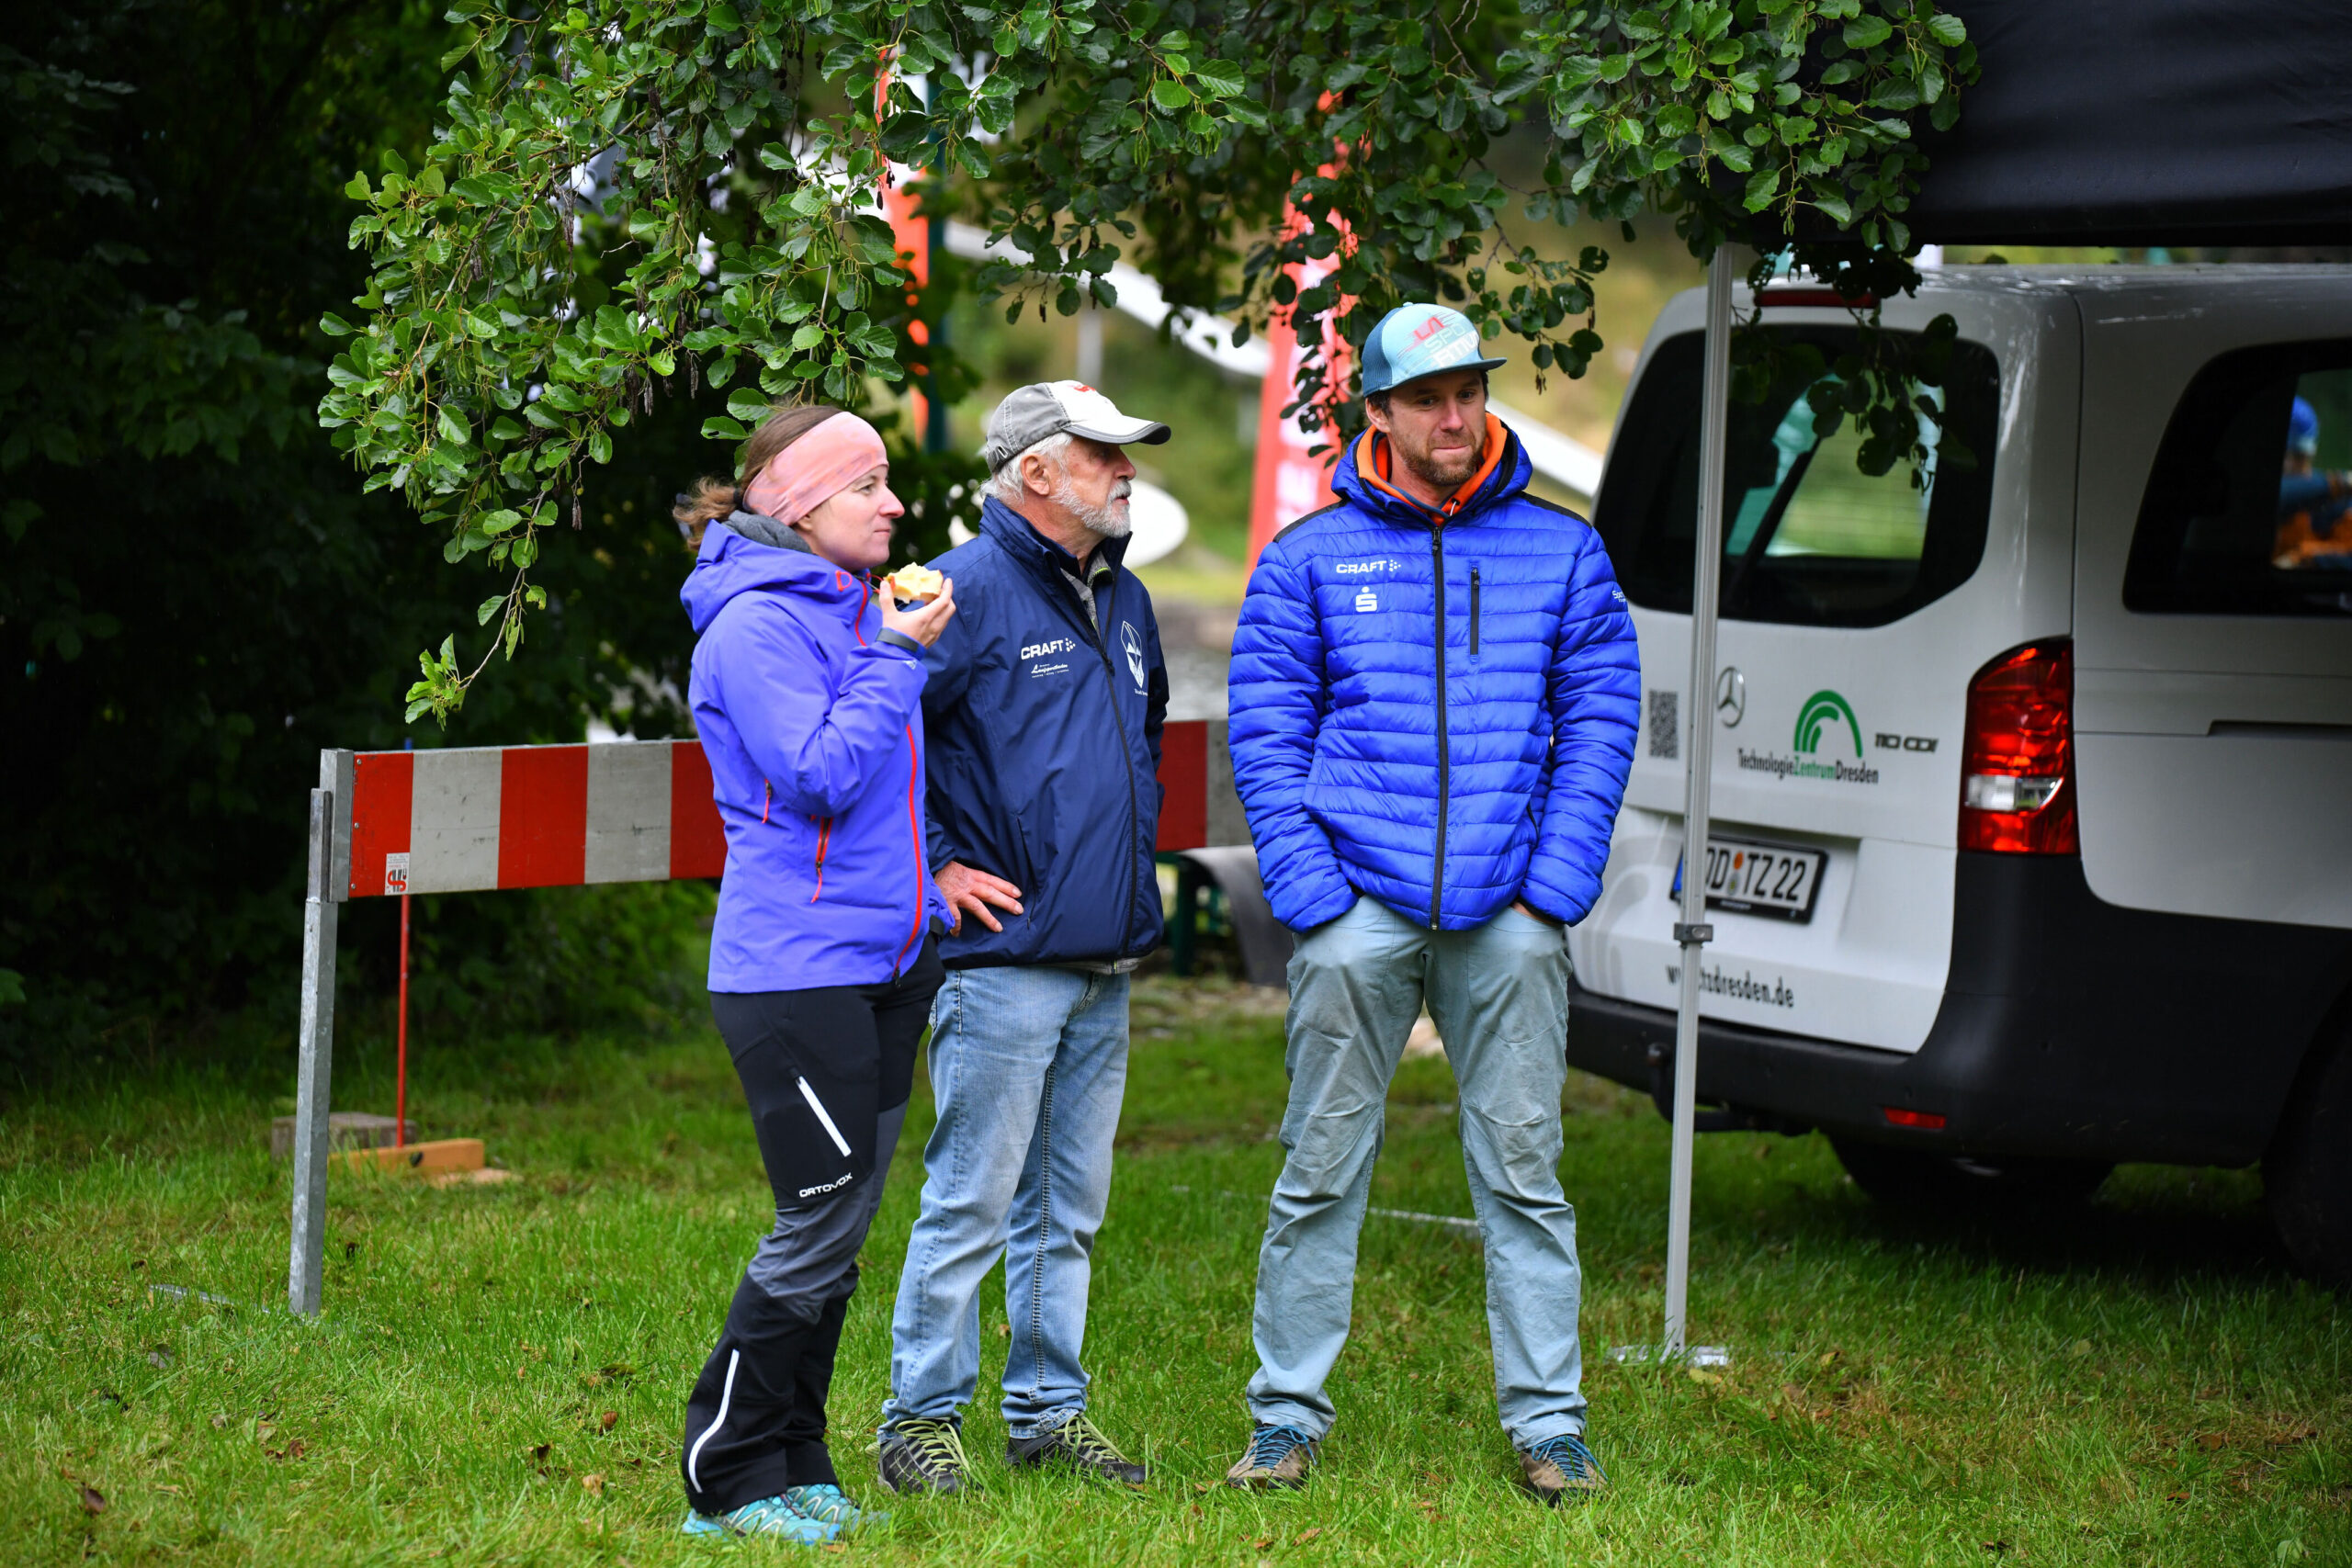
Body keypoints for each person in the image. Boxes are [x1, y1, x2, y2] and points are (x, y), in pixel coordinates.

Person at [1220, 305, 1640, 1505]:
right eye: (1426, 397)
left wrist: (1554, 888)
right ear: (1380, 412)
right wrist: (1312, 894)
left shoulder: (1563, 551)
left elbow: (1602, 718)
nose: (1453, 416)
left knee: (1524, 1172)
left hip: (1510, 909)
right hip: (1358, 904)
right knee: (1318, 1166)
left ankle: (1550, 1424)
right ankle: (1284, 1416)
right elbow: (1266, 732)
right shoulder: (1308, 557)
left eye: (1467, 391)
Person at [875, 381, 1172, 1494]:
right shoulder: (950, 591)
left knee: (1068, 1210)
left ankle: (1046, 1416)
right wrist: (935, 868)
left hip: (1104, 957)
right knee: (973, 1200)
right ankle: (916, 1423)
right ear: (1035, 471)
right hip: (1001, 963)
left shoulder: (1126, 597)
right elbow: (876, 737)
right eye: (1103, 454)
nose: (1127, 470)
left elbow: (1139, 743)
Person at [672, 404, 956, 1541]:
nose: (894, 504)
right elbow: (820, 775)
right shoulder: (753, 627)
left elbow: (889, 798)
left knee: (841, 1233)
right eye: (868, 485)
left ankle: (798, 1461)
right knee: (817, 1220)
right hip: (792, 971)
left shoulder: (852, 611)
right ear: (798, 507)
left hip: (887, 965)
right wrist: (897, 656)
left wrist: (929, 896)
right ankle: (724, 1473)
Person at [2273, 394, 2352, 569]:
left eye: (2299, 457)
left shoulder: (2331, 503)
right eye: (2281, 454)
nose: (2288, 465)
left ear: (2311, 456)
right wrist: (2340, 483)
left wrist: (2305, 558)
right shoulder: (2331, 487)